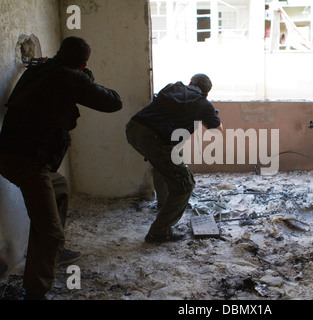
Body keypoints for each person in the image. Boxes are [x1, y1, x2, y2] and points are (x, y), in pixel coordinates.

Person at [0, 37, 122, 299]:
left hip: (12, 154)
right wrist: (84, 78)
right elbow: (114, 102)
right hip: (28, 162)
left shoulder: (38, 69)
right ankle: (35, 291)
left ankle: (54, 250)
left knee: (60, 187)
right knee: (50, 231)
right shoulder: (71, 79)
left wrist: (78, 76)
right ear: (83, 63)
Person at [126, 74, 222, 243]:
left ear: (191, 82)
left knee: (163, 165)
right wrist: (211, 114)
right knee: (185, 184)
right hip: (154, 139)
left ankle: (164, 205)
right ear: (206, 93)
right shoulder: (203, 104)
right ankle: (159, 232)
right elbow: (217, 129)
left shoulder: (173, 87)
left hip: (133, 129)